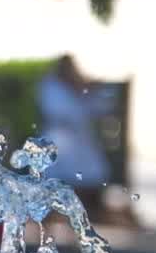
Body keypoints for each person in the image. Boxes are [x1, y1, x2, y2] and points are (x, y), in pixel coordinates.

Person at [37, 55, 113, 197]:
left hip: (80, 140)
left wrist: (89, 91)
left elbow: (98, 109)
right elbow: (59, 112)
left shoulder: (78, 88)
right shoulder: (52, 86)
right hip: (60, 137)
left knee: (89, 169)